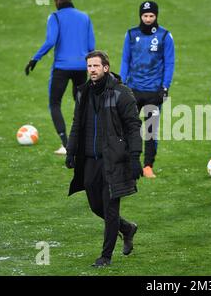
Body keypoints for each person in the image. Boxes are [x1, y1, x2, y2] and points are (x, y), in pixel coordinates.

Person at [65, 51, 143, 267]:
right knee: (95, 206)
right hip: (90, 159)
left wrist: (136, 157)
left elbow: (133, 127)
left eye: (96, 66)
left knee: (110, 208)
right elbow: (76, 124)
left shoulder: (122, 93)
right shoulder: (83, 93)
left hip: (114, 160)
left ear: (106, 68)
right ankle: (126, 228)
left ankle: (105, 256)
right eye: (89, 66)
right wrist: (71, 151)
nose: (92, 70)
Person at [25, 0, 95, 155]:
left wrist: (35, 58)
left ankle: (67, 144)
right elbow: (91, 46)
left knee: (54, 103)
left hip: (62, 68)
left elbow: (50, 41)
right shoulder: (85, 17)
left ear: (57, 0)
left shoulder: (55, 17)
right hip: (81, 68)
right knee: (81, 104)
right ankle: (83, 142)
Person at [120, 1, 174, 178]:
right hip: (133, 90)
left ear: (156, 16)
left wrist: (165, 87)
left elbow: (169, 63)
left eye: (152, 16)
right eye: (145, 16)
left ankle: (148, 166)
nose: (149, 19)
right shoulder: (131, 34)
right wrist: (121, 83)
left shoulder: (165, 36)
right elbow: (125, 60)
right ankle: (129, 163)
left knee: (151, 130)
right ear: (140, 16)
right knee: (129, 127)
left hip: (153, 92)